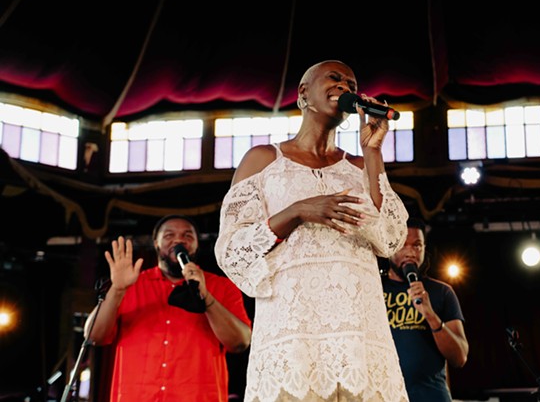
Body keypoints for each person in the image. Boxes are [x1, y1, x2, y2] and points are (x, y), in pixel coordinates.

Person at [214, 59, 410, 401]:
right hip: (292, 337)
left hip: (358, 337)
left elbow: (389, 238)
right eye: (335, 78)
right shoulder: (263, 160)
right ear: (303, 93)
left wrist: (373, 152)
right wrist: (298, 211)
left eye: (351, 83)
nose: (345, 87)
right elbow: (232, 249)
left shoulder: (360, 166)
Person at [85, 214, 252, 402]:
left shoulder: (221, 287)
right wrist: (117, 290)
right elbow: (93, 337)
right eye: (169, 235)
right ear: (155, 243)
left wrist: (205, 296)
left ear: (198, 244)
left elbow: (240, 342)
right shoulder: (130, 286)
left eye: (188, 236)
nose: (179, 240)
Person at [381, 217, 468, 401]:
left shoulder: (441, 291)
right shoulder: (372, 289)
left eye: (417, 245)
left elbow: (459, 357)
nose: (411, 252)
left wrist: (430, 315)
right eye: (403, 244)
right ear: (389, 247)